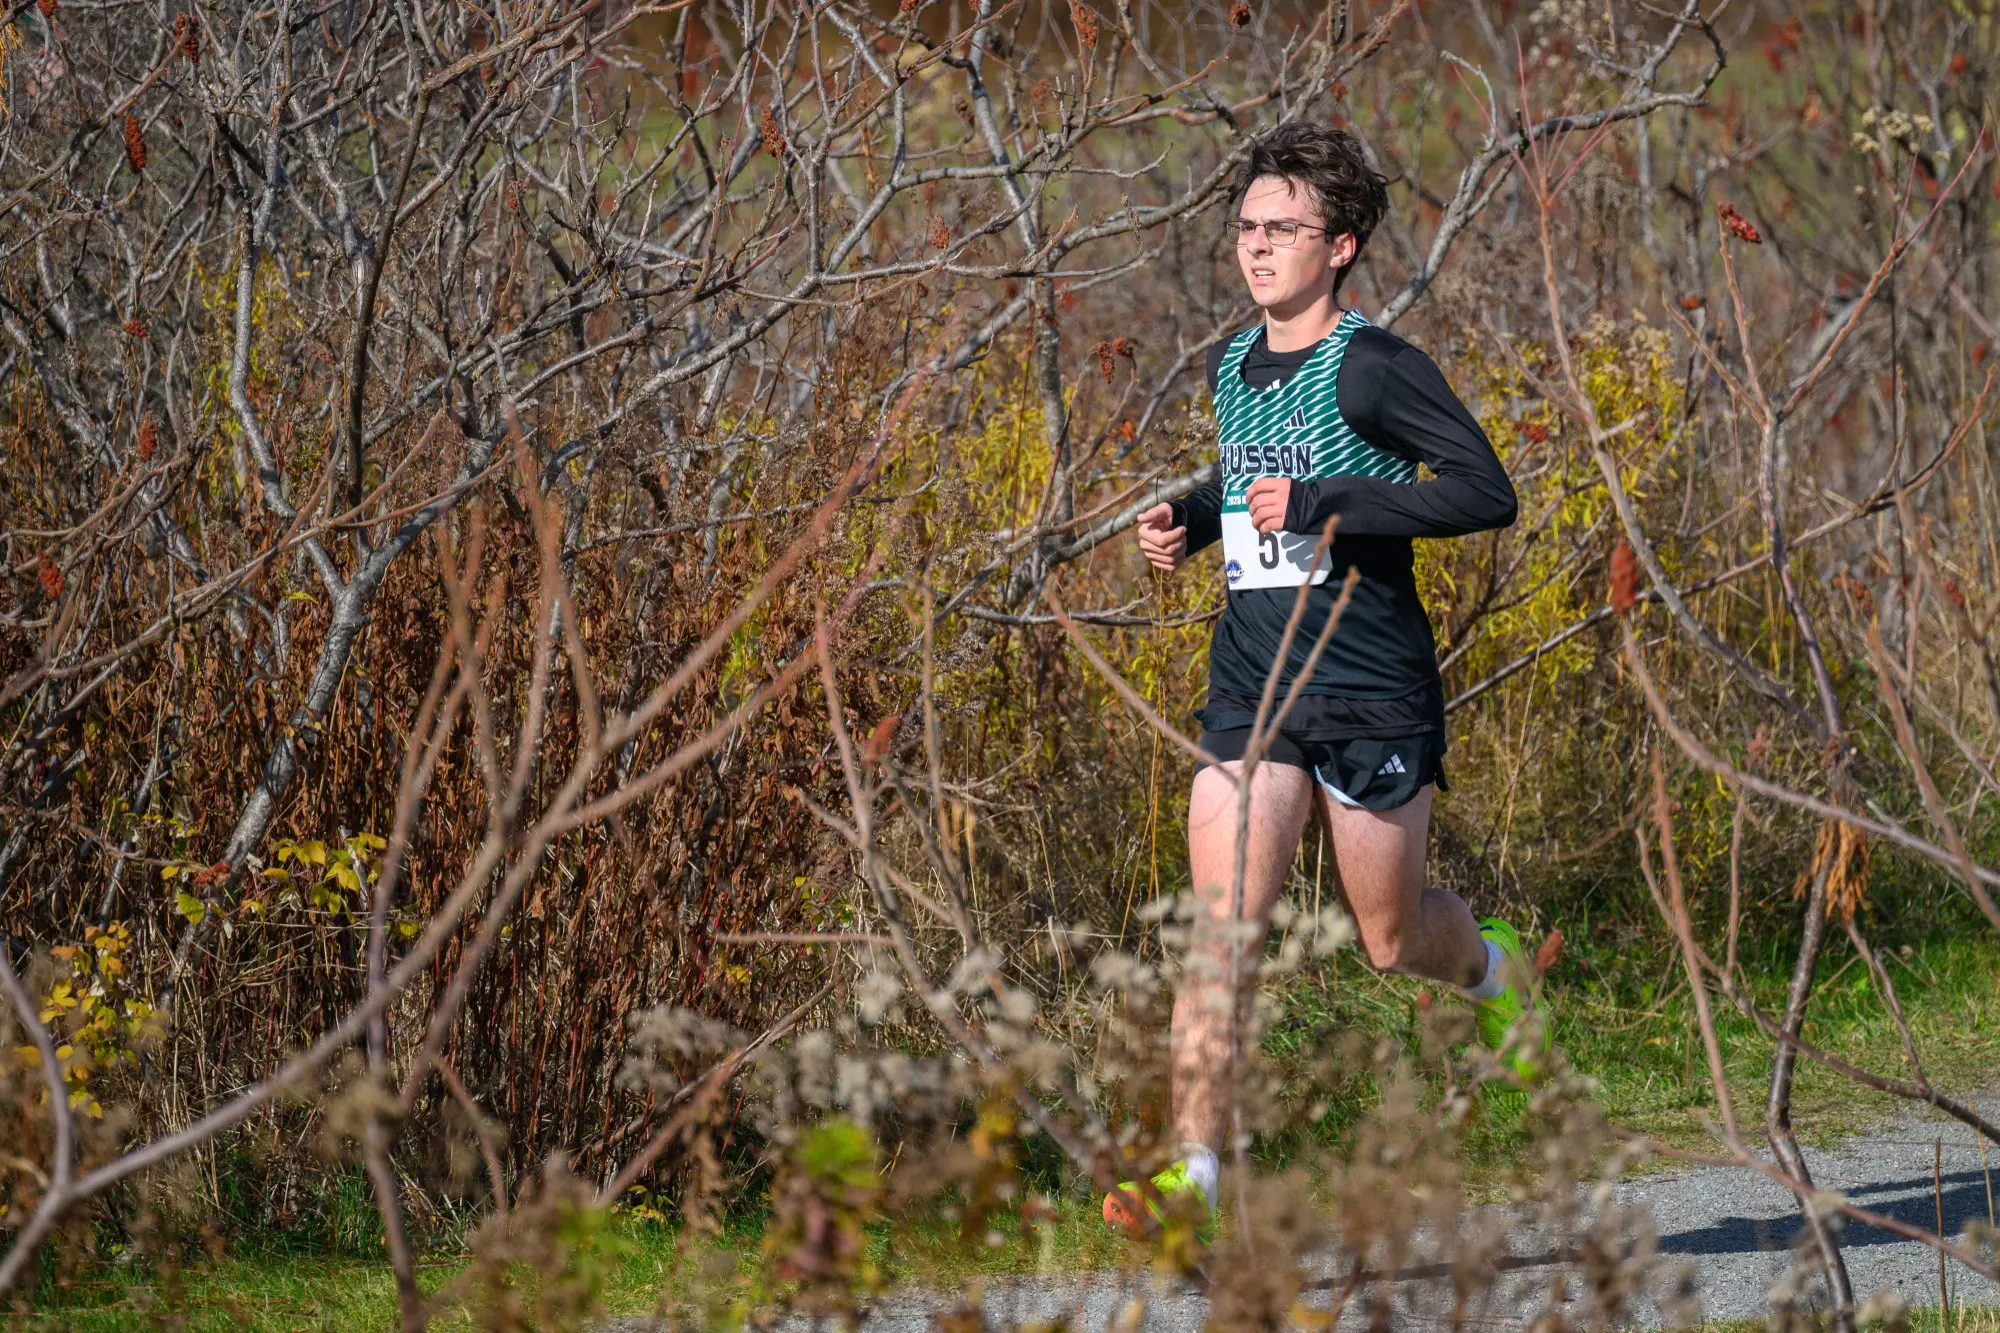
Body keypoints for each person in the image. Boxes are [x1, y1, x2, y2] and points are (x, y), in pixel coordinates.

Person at [1105, 121, 1546, 1242]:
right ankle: (1189, 1177)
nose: (1255, 249)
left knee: (1390, 939)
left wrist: (1327, 505)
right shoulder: (1230, 365)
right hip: (1253, 686)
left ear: (1338, 244)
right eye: (1245, 227)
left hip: (1367, 684)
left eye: (1282, 230)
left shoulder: (1377, 366)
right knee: (1222, 934)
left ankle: (1496, 973)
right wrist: (1187, 523)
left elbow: (1482, 493)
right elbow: (1247, 482)